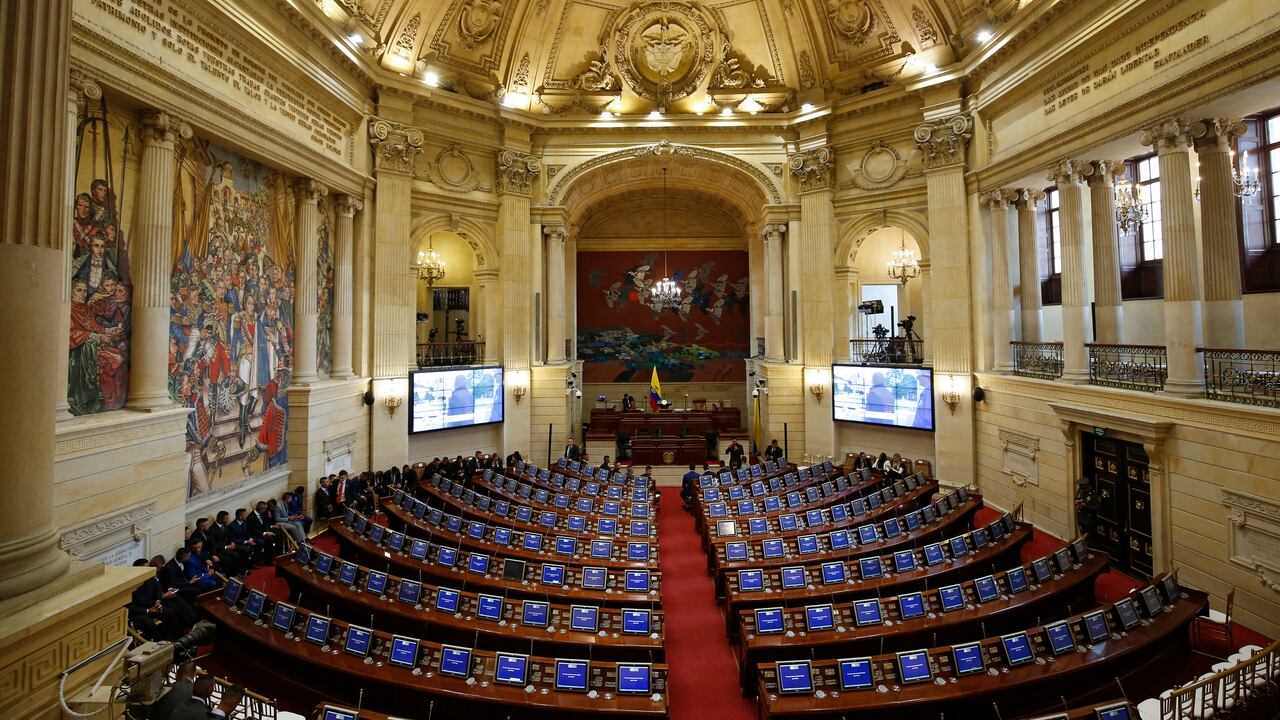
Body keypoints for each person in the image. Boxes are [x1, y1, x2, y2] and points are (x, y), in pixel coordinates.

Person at [127, 561, 197, 641]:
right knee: (150, 624)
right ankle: (159, 644)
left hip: (153, 605)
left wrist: (158, 601)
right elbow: (130, 607)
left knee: (170, 613)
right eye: (147, 567)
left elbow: (158, 589)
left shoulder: (150, 578)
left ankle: (178, 637)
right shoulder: (131, 585)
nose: (150, 569)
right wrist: (148, 610)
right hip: (140, 612)